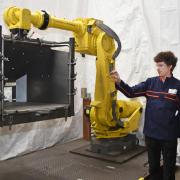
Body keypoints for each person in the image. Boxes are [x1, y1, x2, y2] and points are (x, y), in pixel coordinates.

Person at [110, 51, 180, 180]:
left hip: (169, 135)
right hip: (151, 134)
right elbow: (131, 93)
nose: (157, 68)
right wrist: (119, 82)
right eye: (157, 65)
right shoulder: (150, 83)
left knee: (169, 169)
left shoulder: (177, 85)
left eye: (161, 65)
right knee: (153, 168)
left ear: (170, 66)